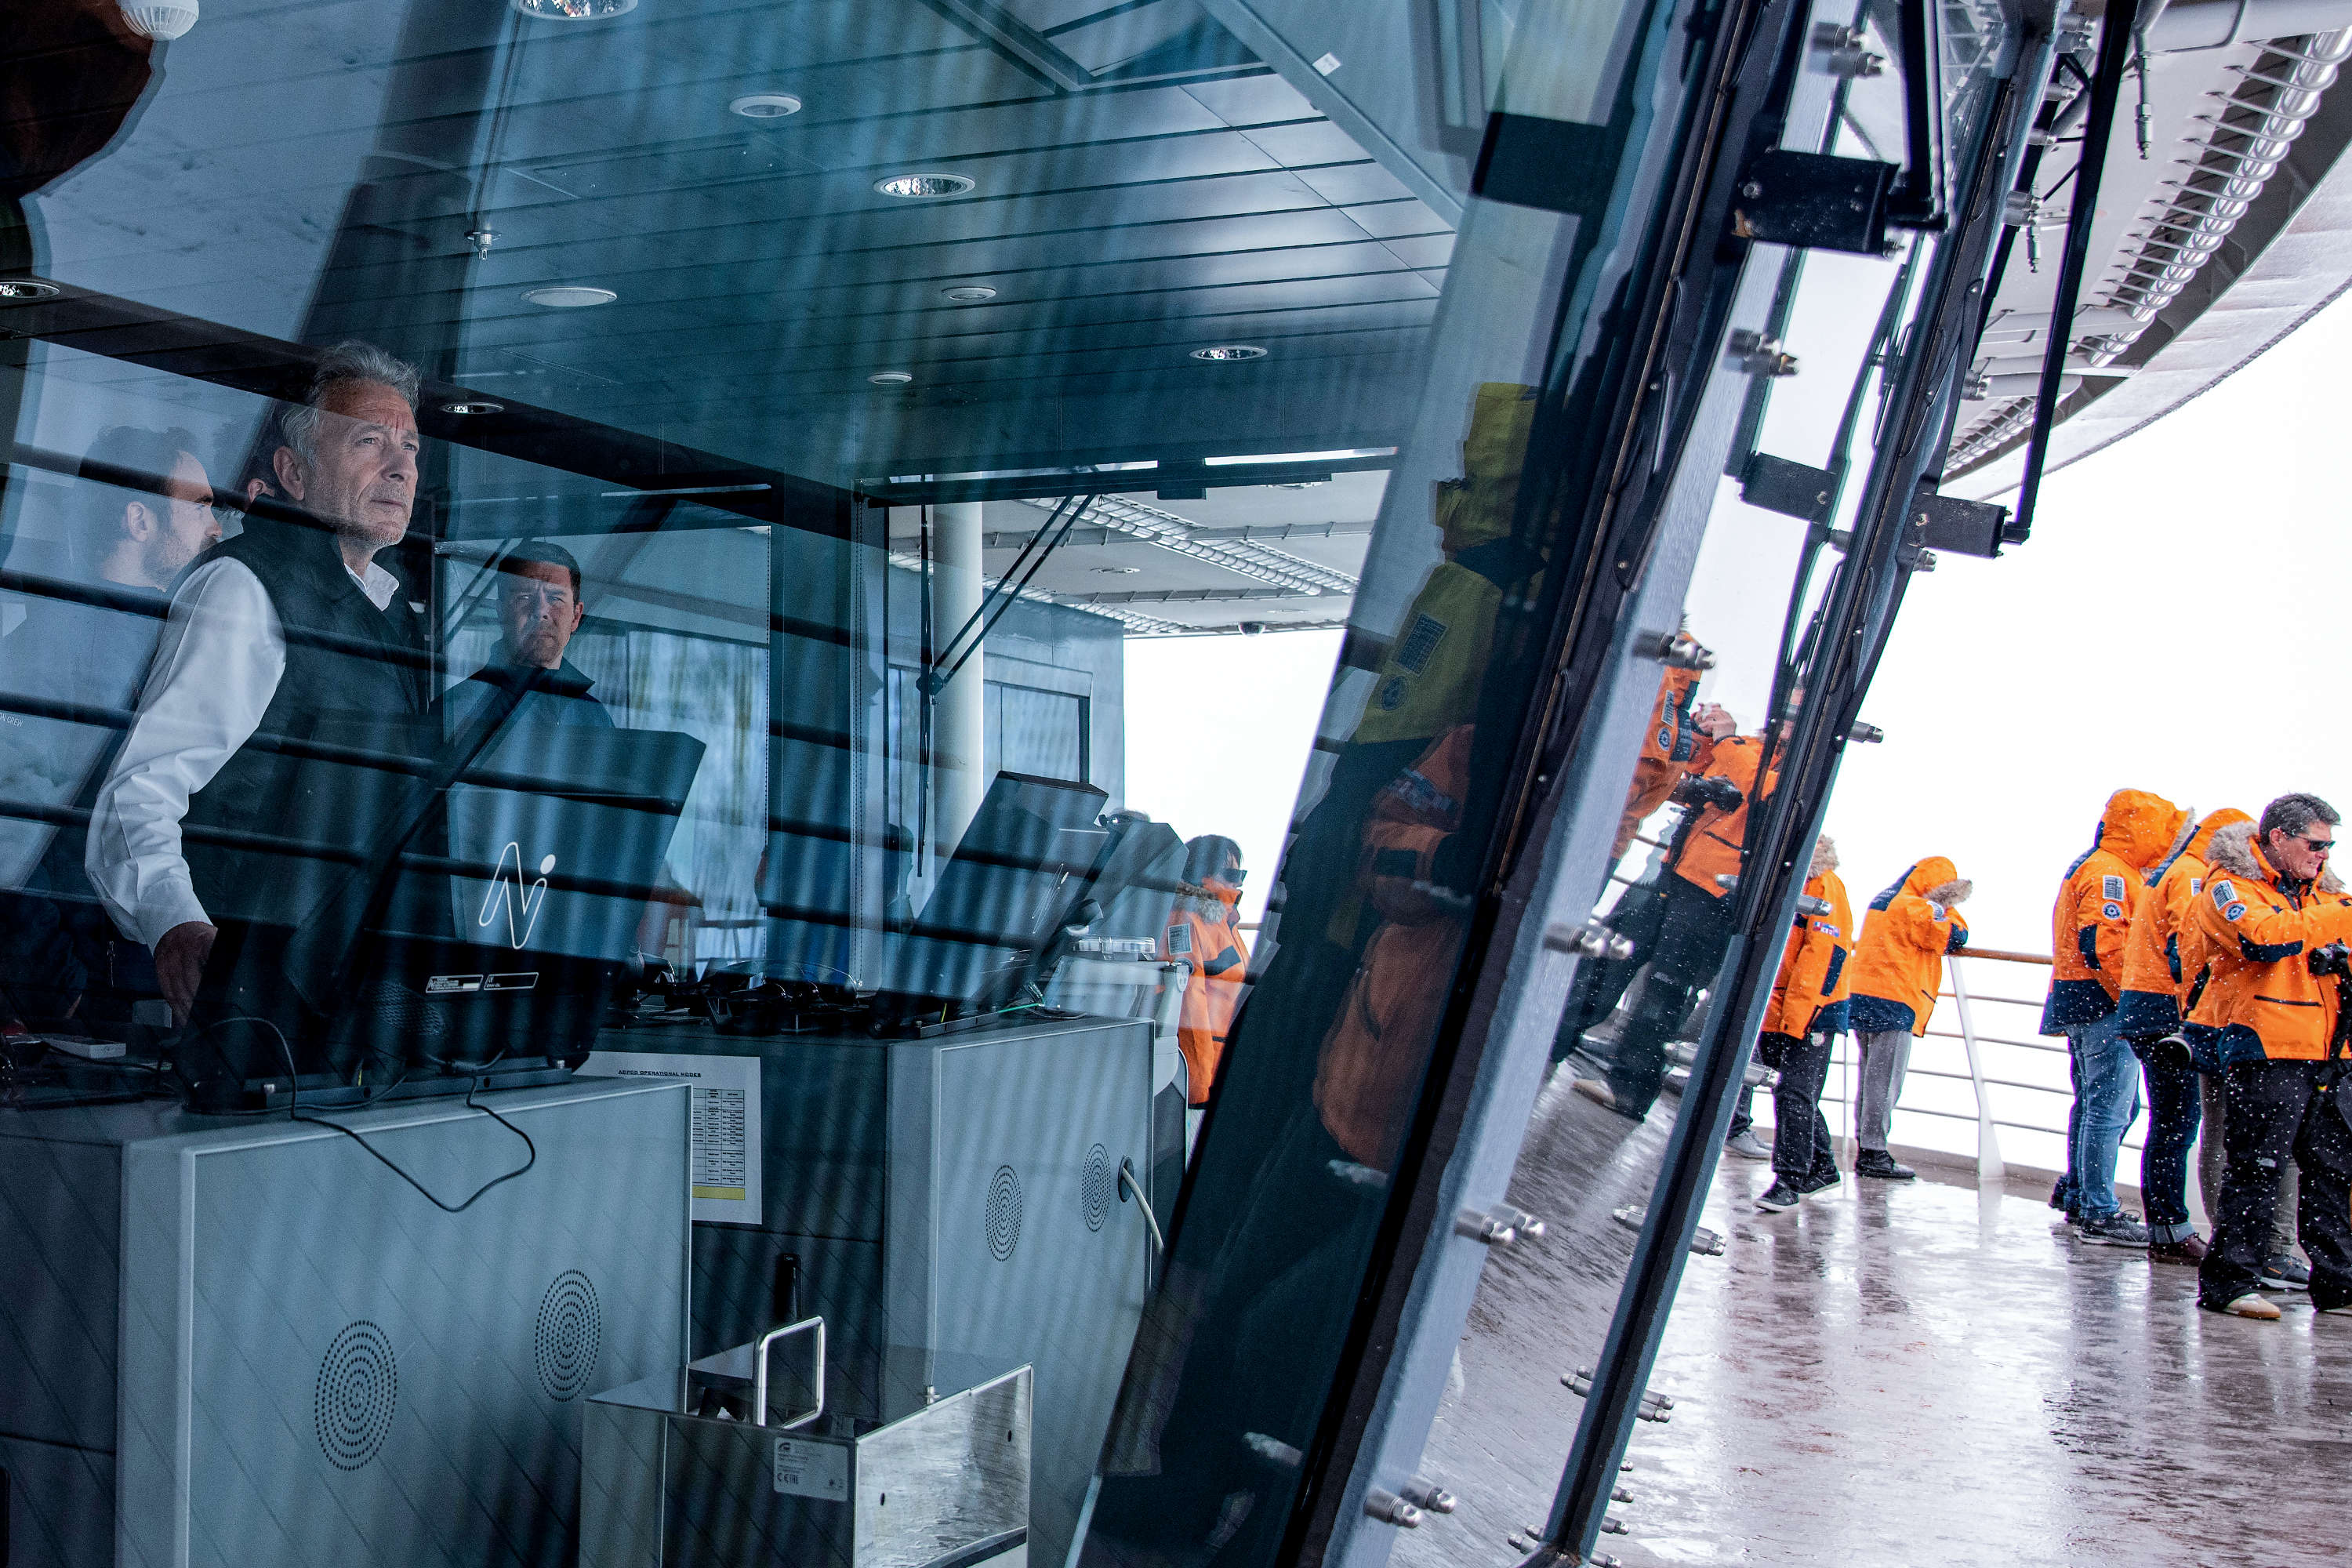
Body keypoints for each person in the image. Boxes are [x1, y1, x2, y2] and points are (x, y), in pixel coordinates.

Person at [86, 340, 430, 1025]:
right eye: (370, 442)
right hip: (242, 1002)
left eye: (412, 448)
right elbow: (141, 794)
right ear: (293, 473)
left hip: (340, 996)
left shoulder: (389, 614)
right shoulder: (242, 588)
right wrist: (177, 928)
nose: (401, 468)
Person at [0, 427, 220, 1027]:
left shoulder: (176, 641)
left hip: (157, 973)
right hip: (90, 994)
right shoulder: (53, 649)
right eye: (199, 505)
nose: (217, 526)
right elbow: (8, 826)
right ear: (139, 521)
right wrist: (56, 985)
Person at [2187, 794, 2352, 1319]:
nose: (2323, 855)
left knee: (2332, 1173)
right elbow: (2262, 940)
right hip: (2266, 1050)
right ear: (2277, 838)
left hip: (2329, 1052)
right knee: (2256, 1169)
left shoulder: (2322, 898)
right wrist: (2338, 922)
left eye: (2329, 846)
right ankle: (2231, 1282)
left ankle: (2339, 1286)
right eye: (2315, 844)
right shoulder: (2229, 888)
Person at [1573, 720, 1774, 1122]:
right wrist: (1699, 735)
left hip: (1715, 897)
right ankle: (1554, 1036)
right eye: (1785, 708)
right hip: (1674, 873)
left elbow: (1767, 792)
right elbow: (1692, 780)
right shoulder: (1748, 748)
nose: (1786, 716)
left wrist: (1726, 740)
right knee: (1609, 953)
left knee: (1665, 992)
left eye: (1795, 710)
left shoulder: (1796, 770)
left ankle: (1629, 1091)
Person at [2036, 788, 2187, 1246]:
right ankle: (2098, 1210)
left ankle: (2081, 1193)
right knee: (2110, 1106)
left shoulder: (2097, 864)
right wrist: (2137, 1002)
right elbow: (2104, 946)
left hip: (2080, 999)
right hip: (2104, 1004)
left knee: (2096, 1103)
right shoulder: (2111, 874)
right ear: (2143, 828)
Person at [2115, 807, 2252, 1265]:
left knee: (2169, 1125)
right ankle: (2172, 1231)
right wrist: (2200, 1013)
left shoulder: (2176, 867)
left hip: (2144, 1006)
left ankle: (2167, 1227)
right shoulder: (2194, 876)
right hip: (2167, 1014)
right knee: (2176, 1125)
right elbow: (2188, 947)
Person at [1846, 856, 1971, 1179]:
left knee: (1870, 1078)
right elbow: (1953, 937)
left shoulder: (1883, 900)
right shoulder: (1917, 907)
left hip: (1861, 994)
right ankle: (1873, 1153)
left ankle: (1867, 1146)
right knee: (1884, 1082)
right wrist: (1947, 908)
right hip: (1894, 997)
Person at [1755, 835, 1853, 1210]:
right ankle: (1823, 1166)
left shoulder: (1824, 888)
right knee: (1797, 1091)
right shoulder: (1789, 883)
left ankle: (1789, 1180)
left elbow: (1822, 961)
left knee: (1793, 1092)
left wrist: (1797, 1022)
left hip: (1811, 1013)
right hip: (1780, 1009)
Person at [444, 539, 615, 730]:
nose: (540, 610)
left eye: (555, 598)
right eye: (524, 597)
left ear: (576, 616)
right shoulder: (457, 709)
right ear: (501, 612)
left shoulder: (594, 717)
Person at [1164, 834, 1250, 1110]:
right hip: (1203, 1083)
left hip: (1225, 1073)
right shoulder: (1187, 919)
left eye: (1241, 873)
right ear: (1203, 875)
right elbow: (1189, 1003)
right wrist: (1198, 1087)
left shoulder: (1226, 923)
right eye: (1232, 873)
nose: (1238, 881)